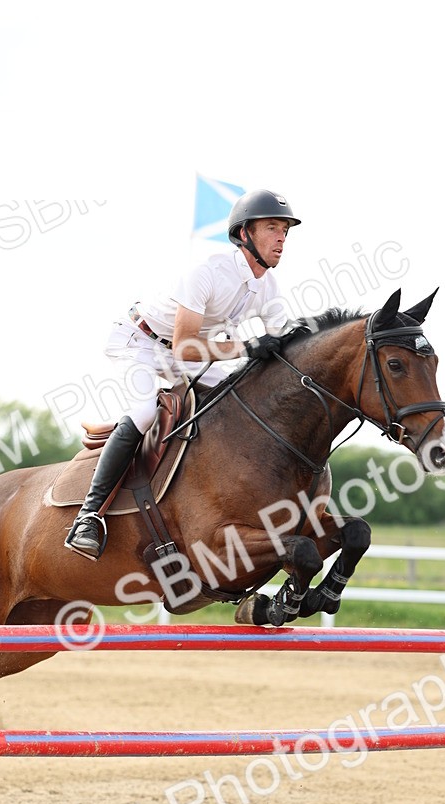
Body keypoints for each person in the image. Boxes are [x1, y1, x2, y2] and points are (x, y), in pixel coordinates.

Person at [64, 189, 301, 559]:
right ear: (244, 234)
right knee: (144, 411)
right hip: (140, 341)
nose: (282, 237)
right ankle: (88, 515)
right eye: (272, 227)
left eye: (285, 229)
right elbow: (184, 346)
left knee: (235, 396)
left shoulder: (267, 286)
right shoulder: (208, 270)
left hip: (186, 352)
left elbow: (284, 337)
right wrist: (246, 347)